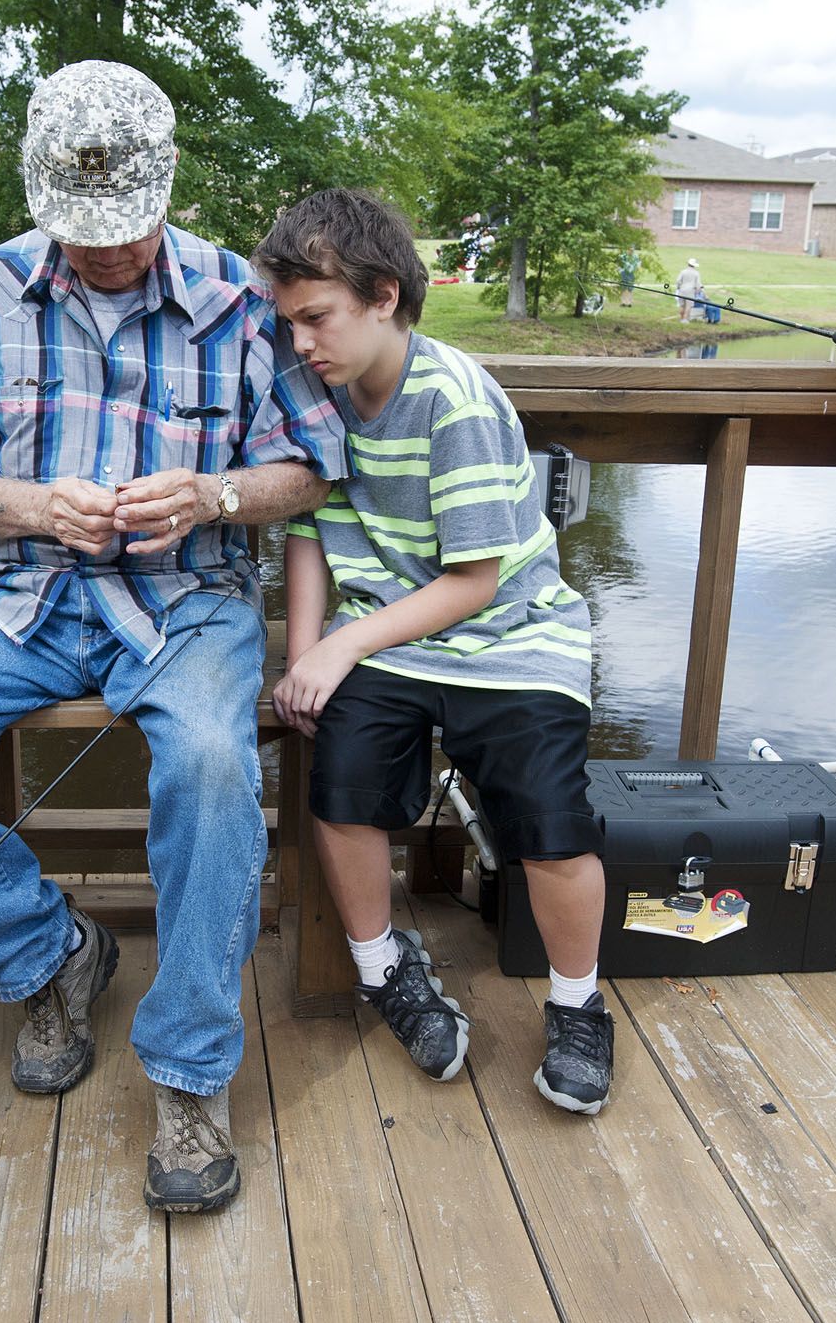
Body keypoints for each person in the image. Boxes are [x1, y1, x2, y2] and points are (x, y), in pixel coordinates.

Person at [0, 61, 345, 1214]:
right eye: (80, 227)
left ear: (166, 182)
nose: (105, 248)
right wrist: (27, 505)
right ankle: (44, 952)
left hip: (190, 595)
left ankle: (189, 1070)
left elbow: (307, 473)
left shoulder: (241, 299)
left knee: (211, 768)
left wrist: (211, 498)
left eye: (125, 225)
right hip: (19, 587)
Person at [255, 188, 614, 1116]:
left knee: (547, 819)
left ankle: (578, 1002)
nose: (301, 344)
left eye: (316, 319)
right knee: (343, 787)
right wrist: (306, 656)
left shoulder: (453, 399)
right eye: (289, 323)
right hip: (393, 634)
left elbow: (474, 583)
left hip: (511, 633)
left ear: (383, 296)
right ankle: (385, 969)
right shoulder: (315, 391)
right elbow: (308, 530)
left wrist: (340, 649)